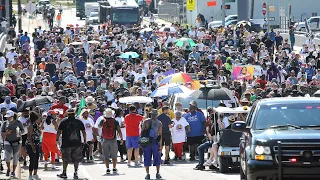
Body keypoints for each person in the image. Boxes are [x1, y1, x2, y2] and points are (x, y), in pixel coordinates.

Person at [56, 109, 86, 179]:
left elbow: (59, 131)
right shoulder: (79, 121)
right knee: (76, 158)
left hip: (66, 143)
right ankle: (75, 173)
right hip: (77, 143)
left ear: (67, 114)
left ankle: (64, 173)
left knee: (65, 158)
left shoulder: (64, 121)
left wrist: (57, 139)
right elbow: (83, 132)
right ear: (74, 113)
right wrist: (84, 140)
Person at [99, 108, 123, 174]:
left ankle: (107, 169)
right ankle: (114, 168)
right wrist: (121, 138)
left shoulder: (102, 120)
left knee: (106, 155)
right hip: (113, 140)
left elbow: (99, 126)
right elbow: (119, 131)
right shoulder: (115, 121)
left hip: (105, 140)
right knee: (114, 155)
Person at [1, 110, 24, 178]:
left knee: (15, 158)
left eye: (9, 117)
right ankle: (8, 168)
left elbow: (23, 130)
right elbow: (2, 132)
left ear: (12, 116)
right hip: (8, 141)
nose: (8, 118)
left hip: (17, 141)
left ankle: (13, 172)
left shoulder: (18, 122)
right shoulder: (5, 123)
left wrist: (20, 133)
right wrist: (6, 133)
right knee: (7, 157)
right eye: (7, 117)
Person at [141, 109, 162, 180]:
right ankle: (157, 173)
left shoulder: (146, 121)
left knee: (147, 157)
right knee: (157, 157)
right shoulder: (159, 123)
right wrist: (160, 145)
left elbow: (142, 132)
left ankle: (148, 174)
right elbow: (160, 135)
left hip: (147, 141)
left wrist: (142, 142)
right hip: (155, 142)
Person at [26, 111, 42, 180]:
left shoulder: (36, 125)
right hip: (31, 144)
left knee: (36, 159)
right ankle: (30, 175)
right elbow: (29, 136)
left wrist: (39, 131)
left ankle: (35, 174)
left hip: (37, 143)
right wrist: (32, 145)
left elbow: (38, 133)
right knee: (32, 159)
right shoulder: (30, 125)